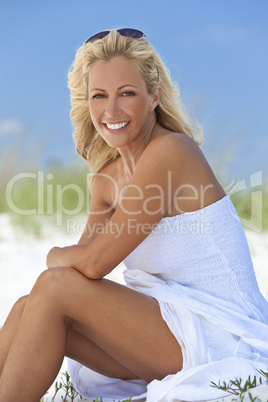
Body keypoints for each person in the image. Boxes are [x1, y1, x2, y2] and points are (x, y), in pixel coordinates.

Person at [0, 28, 267, 402]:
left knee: (54, 287)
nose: (111, 111)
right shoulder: (106, 180)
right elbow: (78, 272)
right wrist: (63, 264)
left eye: (126, 93)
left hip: (220, 335)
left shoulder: (171, 152)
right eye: (99, 96)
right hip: (163, 329)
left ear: (154, 96)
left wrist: (52, 256)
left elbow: (90, 265)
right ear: (87, 102)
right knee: (29, 306)